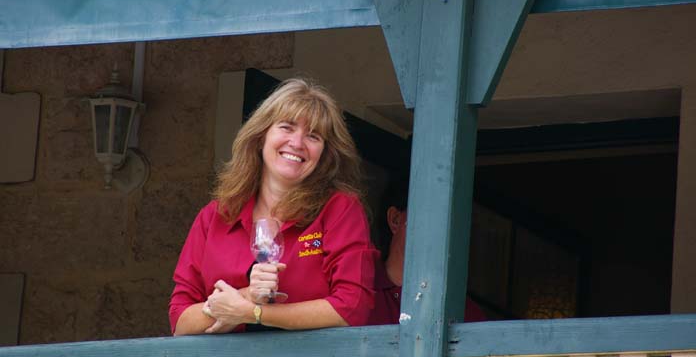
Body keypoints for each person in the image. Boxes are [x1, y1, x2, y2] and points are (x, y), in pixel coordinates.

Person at [169, 78, 378, 335]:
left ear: (324, 155)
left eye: (313, 136)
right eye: (287, 127)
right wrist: (246, 295)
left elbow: (352, 307)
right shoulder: (215, 216)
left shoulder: (339, 209)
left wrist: (252, 313)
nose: (297, 143)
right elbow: (180, 321)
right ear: (261, 137)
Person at [369, 174, 487, 325]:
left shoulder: (465, 313)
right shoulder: (358, 291)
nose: (441, 229)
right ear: (395, 220)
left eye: (450, 222)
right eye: (430, 215)